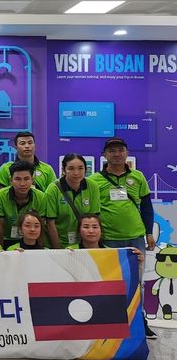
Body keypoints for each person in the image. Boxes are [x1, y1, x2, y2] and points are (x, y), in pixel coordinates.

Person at [88, 137, 156, 338]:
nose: (116, 154)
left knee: (136, 283)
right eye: (112, 151)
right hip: (109, 239)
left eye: (120, 150)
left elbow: (146, 207)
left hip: (135, 237)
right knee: (110, 282)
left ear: (126, 153)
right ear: (104, 155)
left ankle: (139, 322)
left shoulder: (138, 177)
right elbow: (93, 212)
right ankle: (110, 322)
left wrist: (149, 232)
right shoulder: (94, 181)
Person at [45, 154, 100, 249]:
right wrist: (58, 250)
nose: (76, 172)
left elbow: (94, 218)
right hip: (60, 242)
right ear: (63, 170)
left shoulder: (92, 186)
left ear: (85, 170)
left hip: (83, 244)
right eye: (71, 168)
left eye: (80, 168)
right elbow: (50, 223)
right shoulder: (53, 189)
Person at [0, 161, 46, 248]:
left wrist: (39, 251)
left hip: (31, 241)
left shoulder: (41, 197)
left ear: (32, 180)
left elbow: (40, 228)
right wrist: (0, 254)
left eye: (26, 179)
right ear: (11, 180)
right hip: (6, 239)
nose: (22, 184)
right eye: (18, 179)